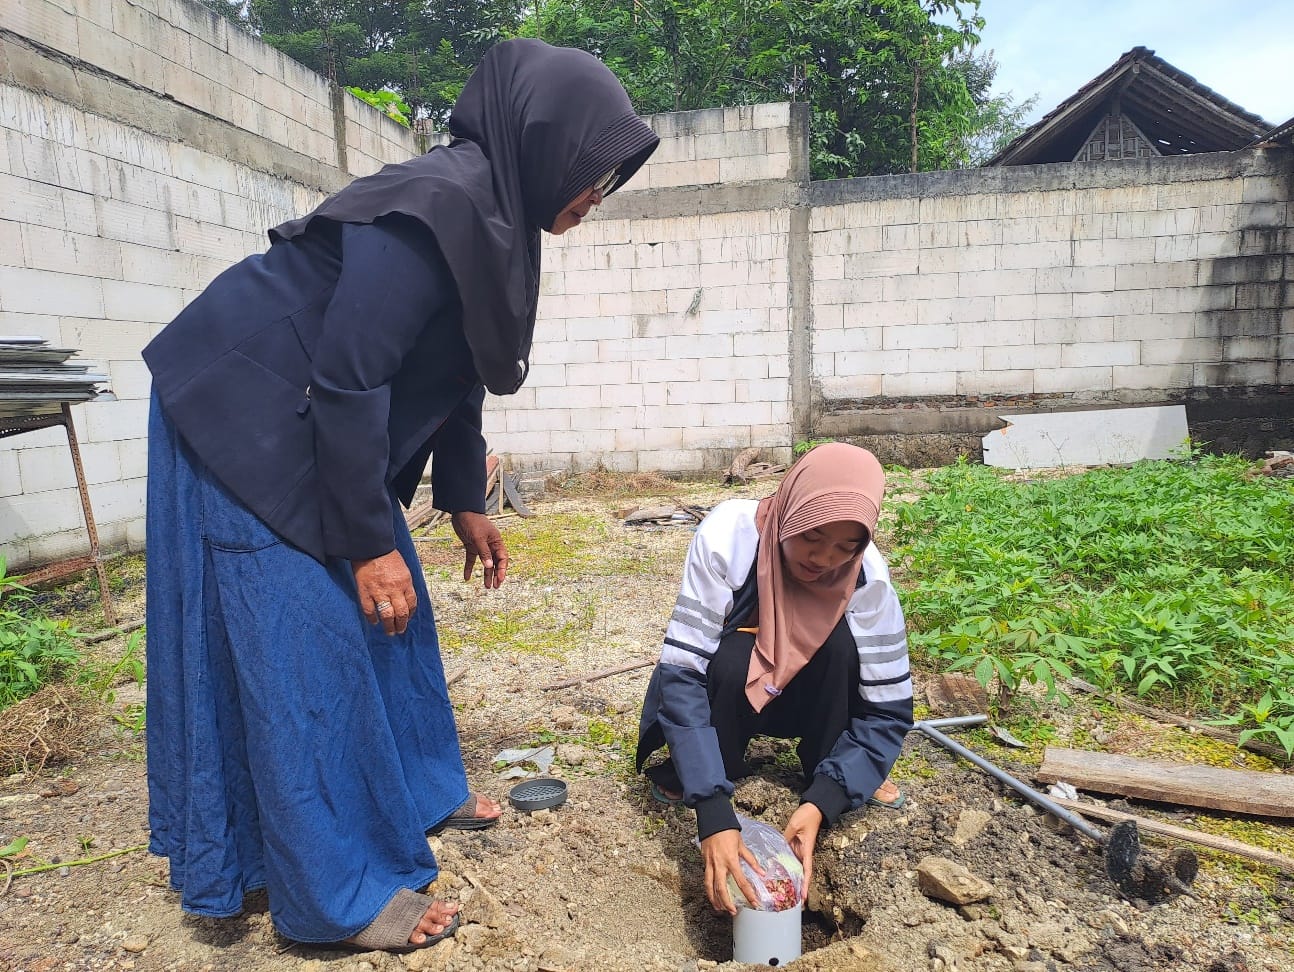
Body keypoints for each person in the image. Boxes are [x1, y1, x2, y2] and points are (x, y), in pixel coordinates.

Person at [142, 39, 658, 953]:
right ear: (543, 144)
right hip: (247, 409)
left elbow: (459, 366)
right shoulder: (436, 203)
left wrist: (463, 498)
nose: (596, 195)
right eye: (592, 172)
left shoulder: (496, 219)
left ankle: (422, 789)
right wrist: (370, 543)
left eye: (608, 181)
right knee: (304, 643)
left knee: (395, 612)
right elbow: (349, 376)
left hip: (319, 417)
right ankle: (339, 894)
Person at [636, 443, 914, 915]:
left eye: (845, 547)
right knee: (729, 655)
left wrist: (823, 802)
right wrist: (712, 810)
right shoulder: (730, 535)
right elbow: (683, 674)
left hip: (811, 693)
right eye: (812, 535)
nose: (823, 558)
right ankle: (710, 765)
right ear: (791, 508)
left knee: (842, 647)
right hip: (734, 689)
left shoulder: (869, 578)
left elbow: (887, 711)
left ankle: (837, 770)